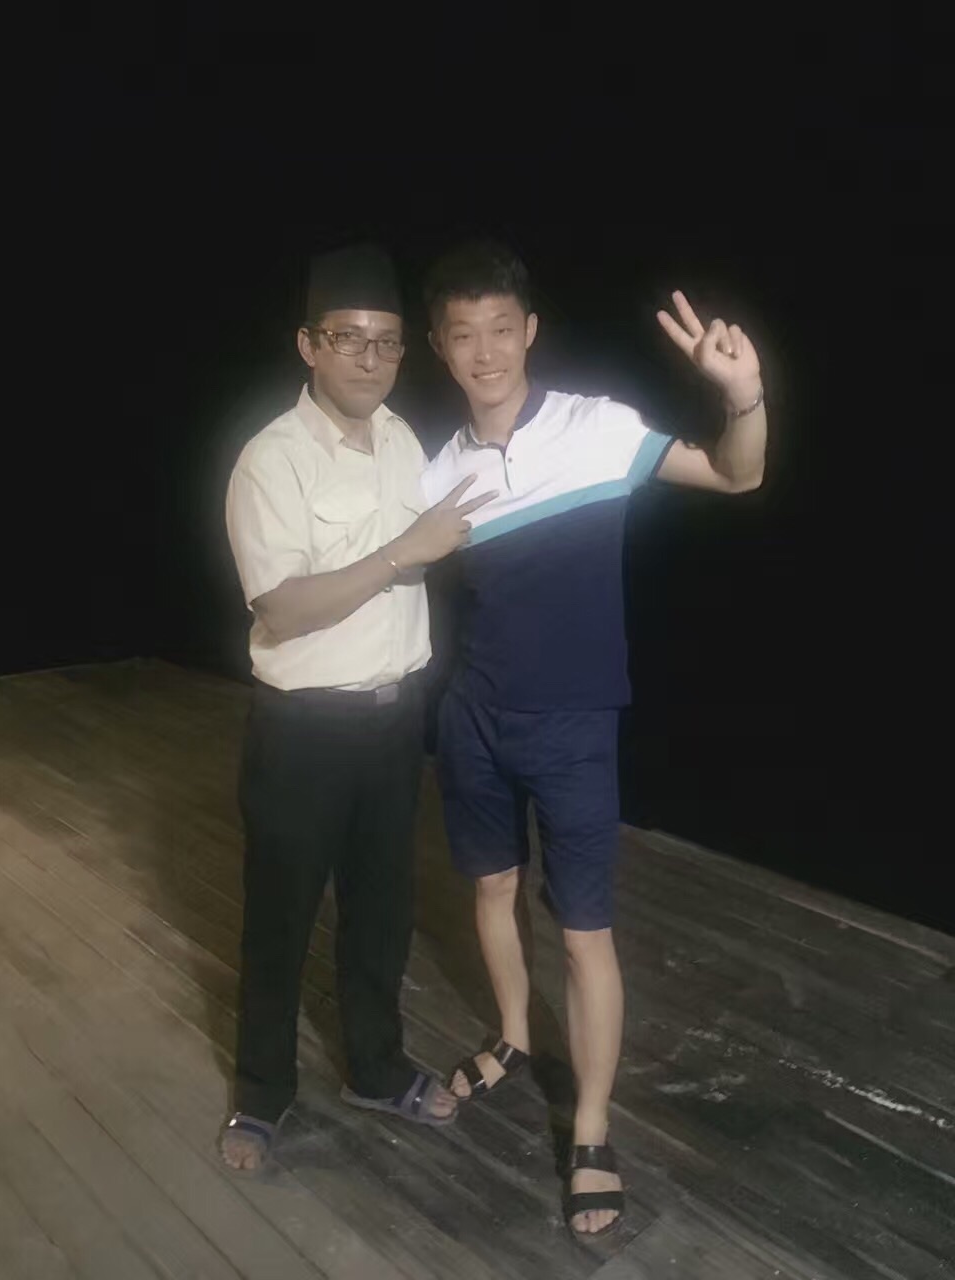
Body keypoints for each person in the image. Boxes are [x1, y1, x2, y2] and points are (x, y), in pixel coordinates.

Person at [420, 240, 766, 1239]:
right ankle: (513, 1037)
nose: (486, 351)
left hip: (574, 725)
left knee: (583, 935)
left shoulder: (596, 428)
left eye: (501, 328)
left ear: (529, 331)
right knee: (490, 889)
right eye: (463, 334)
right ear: (441, 348)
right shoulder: (436, 471)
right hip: (472, 715)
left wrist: (744, 397)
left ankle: (593, 1128)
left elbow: (736, 475)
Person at [221, 243, 494, 1171]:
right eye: (348, 340)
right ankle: (260, 1096)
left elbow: (455, 521)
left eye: (387, 343)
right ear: (309, 345)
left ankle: (376, 1069)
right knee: (280, 919)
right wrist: (403, 553)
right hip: (303, 730)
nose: (370, 360)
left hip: (393, 721)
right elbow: (281, 608)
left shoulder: (406, 442)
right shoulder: (271, 461)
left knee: (382, 911)